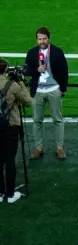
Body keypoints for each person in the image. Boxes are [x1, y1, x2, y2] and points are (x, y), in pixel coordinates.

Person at [25, 26, 69, 160]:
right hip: (37, 91)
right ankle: (38, 148)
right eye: (39, 39)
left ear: (48, 38)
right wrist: (37, 70)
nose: (42, 41)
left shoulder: (57, 52)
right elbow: (26, 71)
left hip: (54, 90)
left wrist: (62, 89)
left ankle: (59, 148)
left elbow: (64, 71)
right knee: (37, 121)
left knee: (58, 120)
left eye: (44, 38)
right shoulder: (32, 53)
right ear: (36, 39)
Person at [0, 58, 32, 203]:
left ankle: (0, 193)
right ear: (6, 69)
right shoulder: (12, 85)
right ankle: (11, 193)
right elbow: (28, 102)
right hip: (11, 126)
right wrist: (21, 84)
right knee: (9, 159)